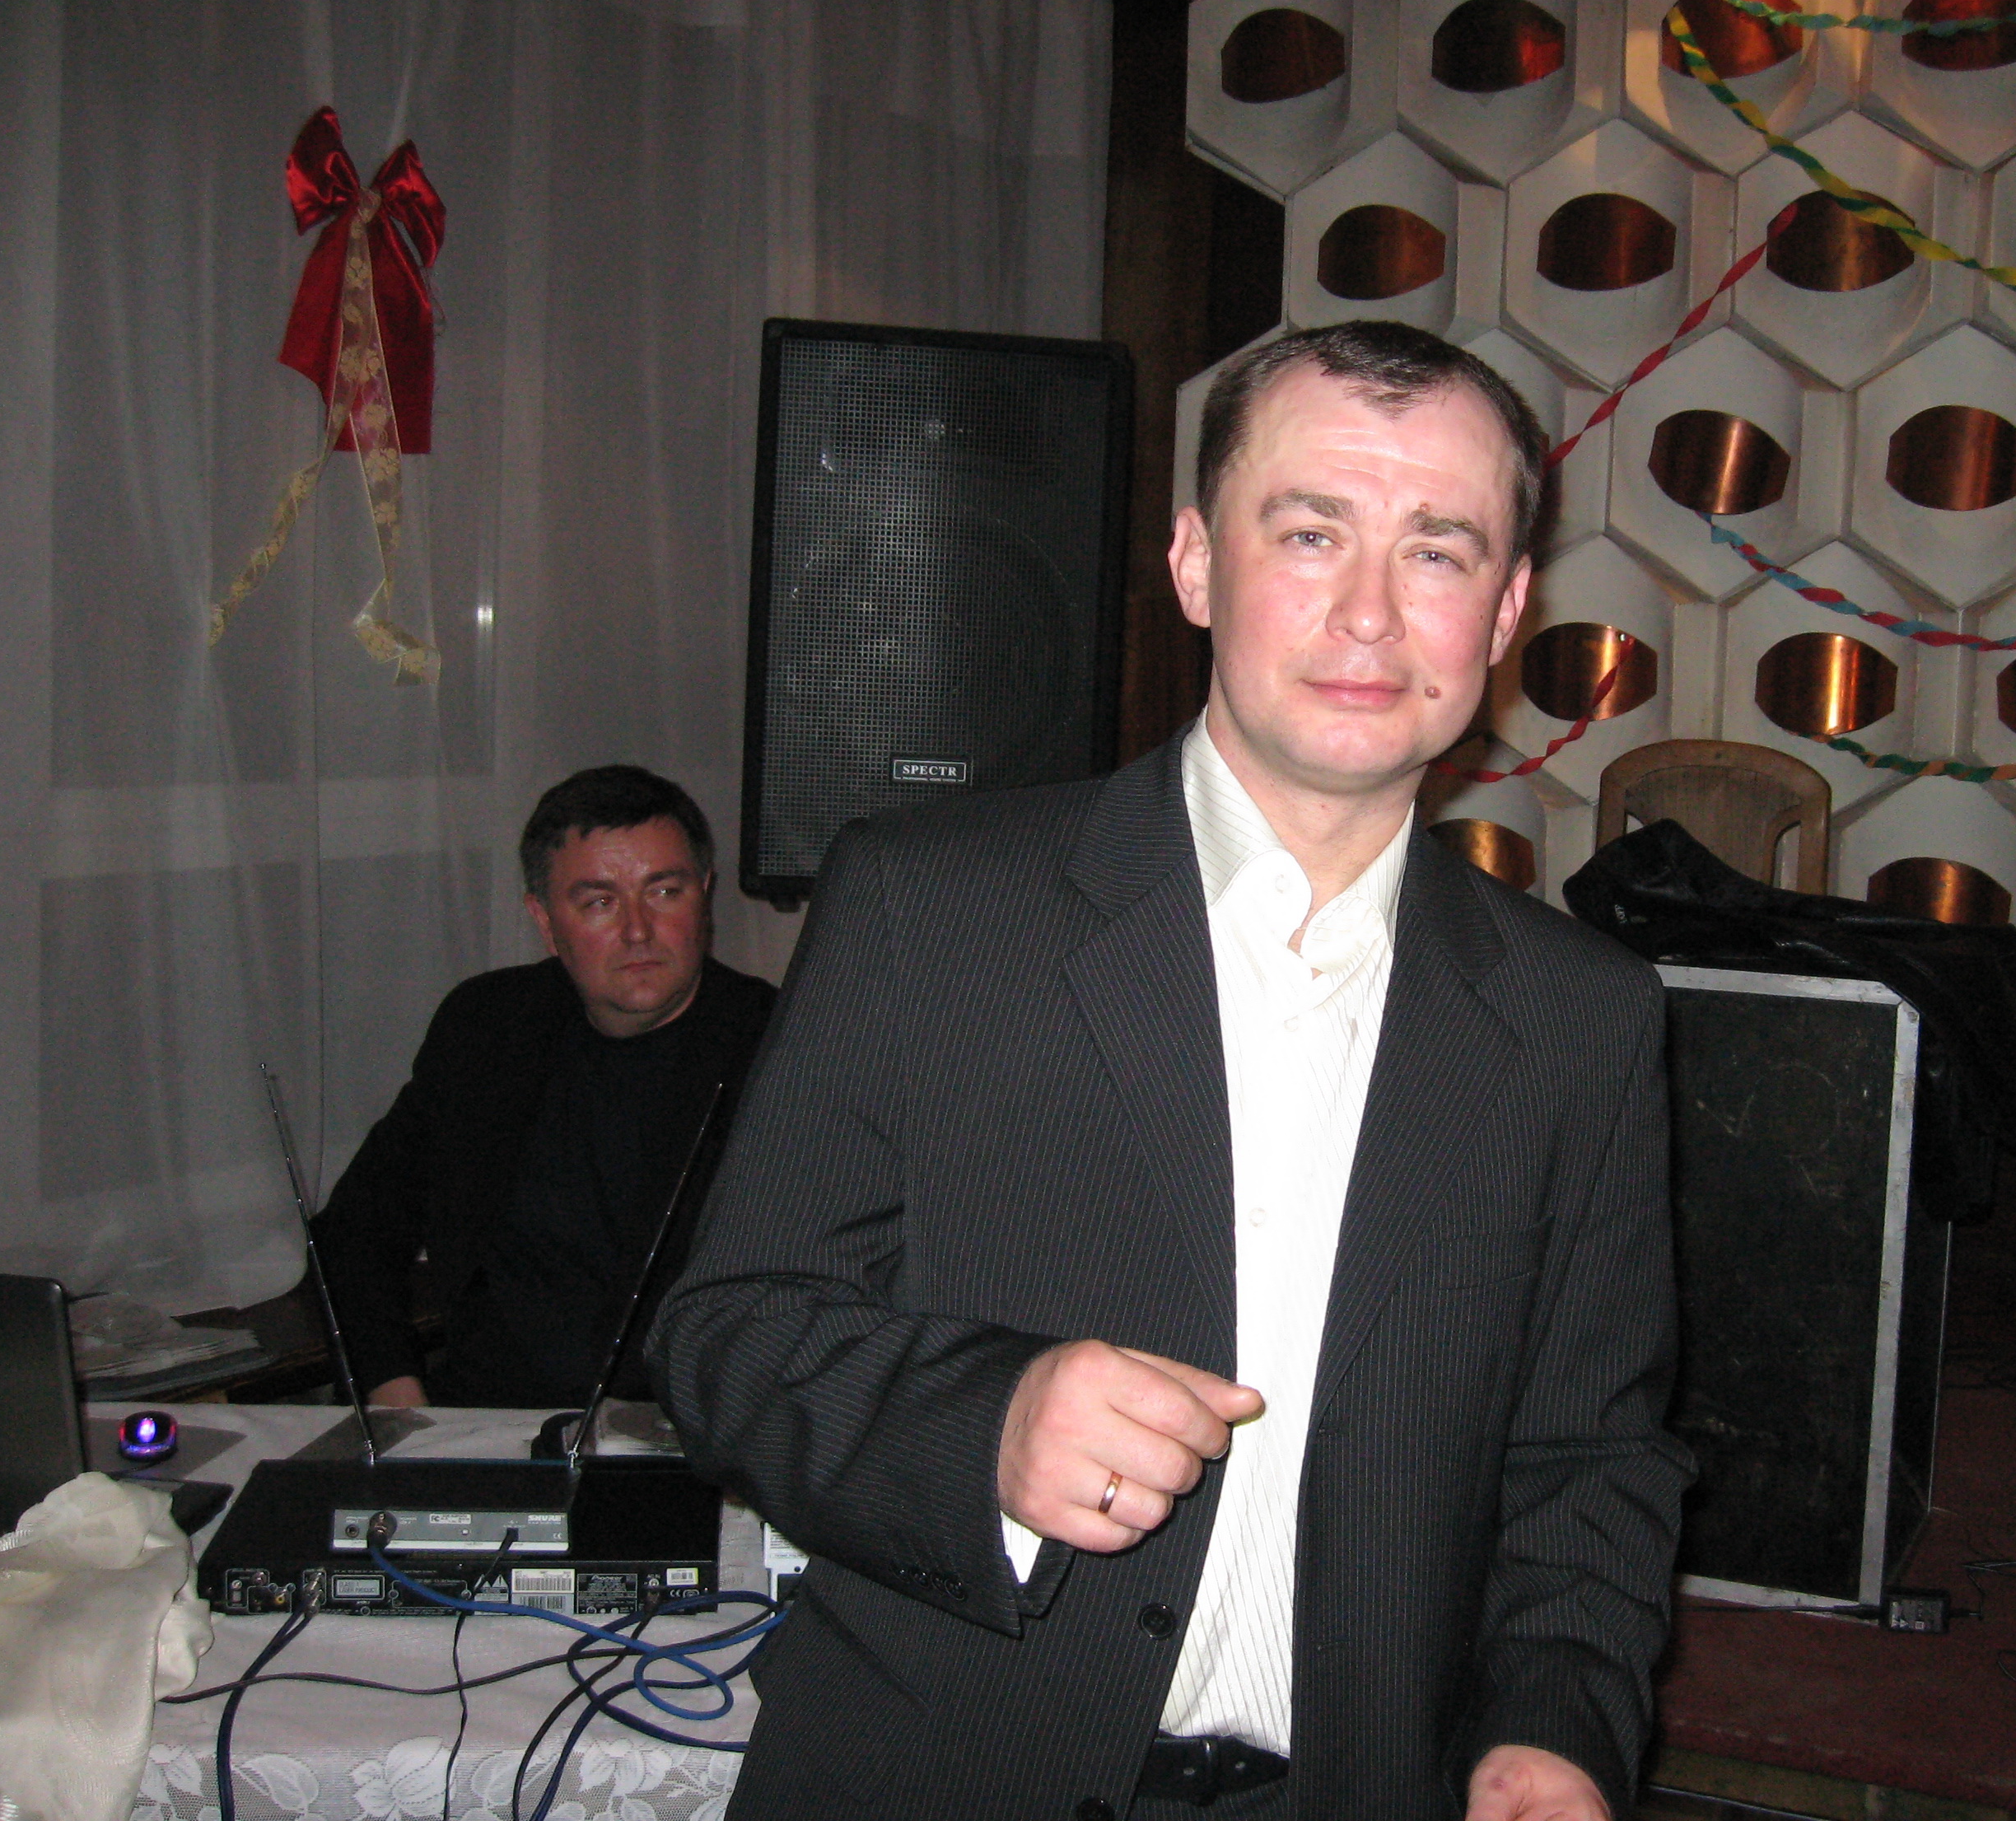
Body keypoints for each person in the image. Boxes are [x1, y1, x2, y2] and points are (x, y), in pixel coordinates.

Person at [649, 322, 1688, 1820]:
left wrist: (1555, 1726)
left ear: (1508, 608)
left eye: (1437, 551)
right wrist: (986, 1422)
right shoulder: (928, 908)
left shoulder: (1583, 1017)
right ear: (1197, 563)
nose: (1370, 613)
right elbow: (728, 1338)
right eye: (1311, 532)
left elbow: (1592, 1457)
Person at [313, 765, 777, 1411]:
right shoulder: (490, 1027)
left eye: (665, 892)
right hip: (486, 1424)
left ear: (705, 895)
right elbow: (355, 1231)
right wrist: (393, 1392)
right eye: (599, 903)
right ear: (544, 920)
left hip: (688, 1434)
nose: (638, 930)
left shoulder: (779, 1046)